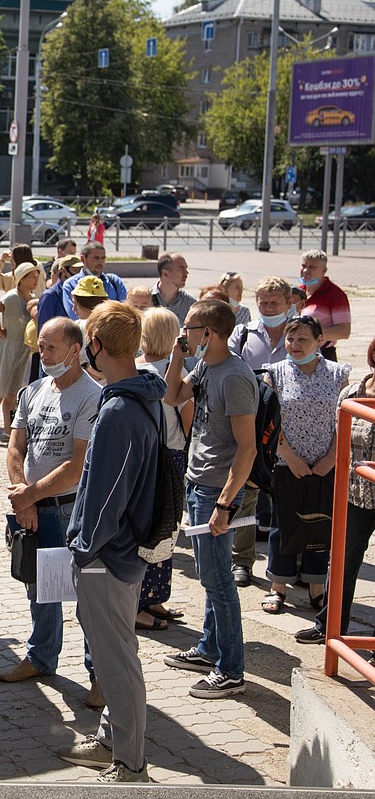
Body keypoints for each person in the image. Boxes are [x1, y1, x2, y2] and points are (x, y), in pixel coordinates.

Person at [57, 301, 163, 784]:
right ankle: (111, 743)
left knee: (117, 665)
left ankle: (130, 766)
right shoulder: (141, 397)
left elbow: (106, 497)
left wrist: (82, 548)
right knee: (115, 655)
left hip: (107, 557)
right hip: (118, 553)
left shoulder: (120, 409)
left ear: (96, 345)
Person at [1, 317, 101, 699]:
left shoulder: (91, 396)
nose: (43, 354)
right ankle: (41, 656)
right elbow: (15, 448)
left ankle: (98, 676)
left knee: (85, 596)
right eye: (41, 346)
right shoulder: (33, 391)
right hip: (33, 505)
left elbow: (77, 465)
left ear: (75, 350)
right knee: (39, 589)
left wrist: (32, 496)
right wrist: (23, 493)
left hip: (67, 509)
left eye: (51, 347)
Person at [163, 299, 256, 700]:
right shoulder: (205, 366)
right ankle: (208, 649)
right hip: (197, 482)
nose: (183, 332)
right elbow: (172, 397)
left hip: (216, 491)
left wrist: (225, 503)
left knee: (219, 582)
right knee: (209, 576)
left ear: (210, 333)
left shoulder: (234, 377)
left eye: (189, 327)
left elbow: (247, 449)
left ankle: (231, 669)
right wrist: (176, 356)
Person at [260, 316, 349, 615]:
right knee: (282, 524)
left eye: (303, 340)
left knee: (321, 522)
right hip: (287, 461)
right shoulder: (275, 373)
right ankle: (278, 587)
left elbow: (346, 420)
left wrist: (332, 456)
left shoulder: (337, 374)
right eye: (290, 339)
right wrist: (289, 455)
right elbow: (268, 422)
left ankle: (316, 587)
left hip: (326, 462)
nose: (295, 345)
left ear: (319, 340)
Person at [296, 337, 375, 645]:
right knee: (342, 561)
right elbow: (340, 441)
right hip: (355, 495)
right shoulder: (352, 393)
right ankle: (329, 626)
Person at [227, 276, 293, 586]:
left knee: (289, 495)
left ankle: (292, 563)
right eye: (263, 303)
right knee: (247, 491)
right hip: (251, 424)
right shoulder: (242, 334)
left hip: (289, 427)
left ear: (288, 304)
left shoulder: (298, 334)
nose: (268, 308)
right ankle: (242, 560)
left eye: (274, 303)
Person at [134, 308, 191, 629]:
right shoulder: (173, 372)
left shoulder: (133, 368)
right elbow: (186, 415)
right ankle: (143, 601)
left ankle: (153, 599)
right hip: (169, 457)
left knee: (151, 529)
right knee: (165, 529)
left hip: (144, 455)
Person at [0, 262, 41, 444]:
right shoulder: (11, 296)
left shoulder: (31, 297)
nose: (35, 280)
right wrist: (0, 330)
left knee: (12, 391)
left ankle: (8, 430)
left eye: (36, 276)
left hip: (22, 348)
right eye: (32, 276)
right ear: (21, 278)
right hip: (6, 346)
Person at [299, 249, 351, 362]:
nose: (305, 270)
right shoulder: (297, 292)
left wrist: (311, 334)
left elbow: (344, 331)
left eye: (312, 267)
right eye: (303, 265)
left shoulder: (335, 294)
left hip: (323, 355)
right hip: (297, 353)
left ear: (324, 270)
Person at [61, 242, 126, 319]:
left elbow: (125, 311)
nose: (100, 262)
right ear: (83, 259)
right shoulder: (71, 285)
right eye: (96, 258)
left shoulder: (114, 281)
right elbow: (74, 316)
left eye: (103, 258)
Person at [35, 255, 82, 334]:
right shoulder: (50, 295)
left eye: (80, 271)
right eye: (75, 270)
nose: (78, 275)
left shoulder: (80, 292)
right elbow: (43, 331)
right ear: (64, 271)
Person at [150, 253, 195, 324]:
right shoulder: (144, 299)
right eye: (181, 269)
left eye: (186, 268)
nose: (186, 273)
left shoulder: (190, 304)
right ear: (165, 274)